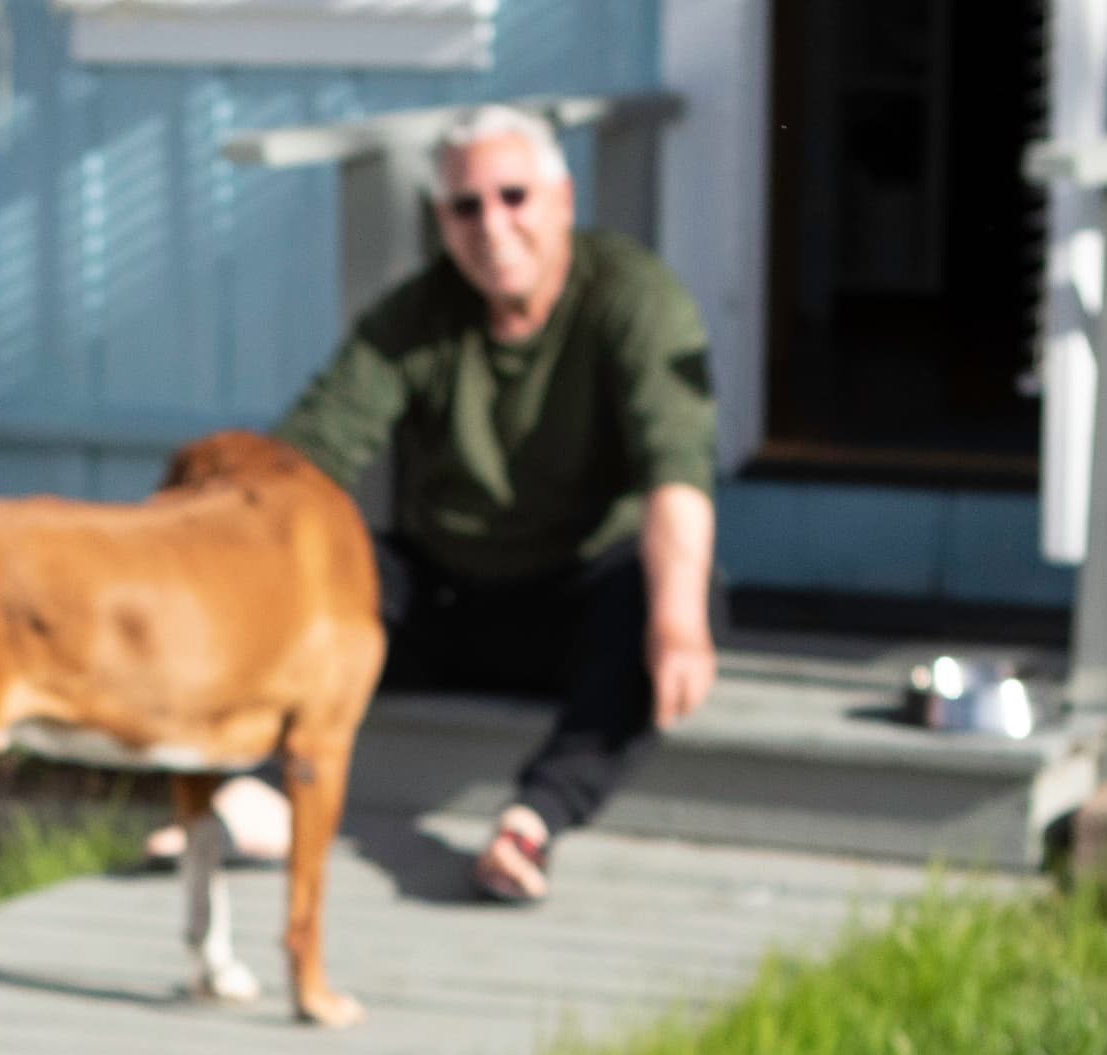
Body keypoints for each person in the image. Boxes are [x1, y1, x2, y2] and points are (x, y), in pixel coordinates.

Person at [200, 102, 721, 903]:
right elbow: (306, 456)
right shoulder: (417, 314)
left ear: (563, 201)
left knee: (677, 593)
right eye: (466, 206)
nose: (493, 224)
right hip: (445, 594)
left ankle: (534, 820)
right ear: (442, 220)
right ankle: (268, 788)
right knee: (333, 565)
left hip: (580, 597)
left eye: (514, 196)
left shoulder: (631, 294)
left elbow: (676, 469)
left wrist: (678, 621)